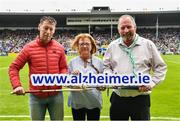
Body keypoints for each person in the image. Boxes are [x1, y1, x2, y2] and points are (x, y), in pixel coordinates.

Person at [103, 15, 167, 120]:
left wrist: (151, 83)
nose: (126, 30)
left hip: (140, 100)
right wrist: (110, 78)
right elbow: (106, 67)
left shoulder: (148, 45)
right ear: (118, 30)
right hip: (118, 98)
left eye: (129, 27)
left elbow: (161, 67)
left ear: (135, 27)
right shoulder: (112, 46)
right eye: (122, 28)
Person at [9, 16, 68, 121]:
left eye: (51, 29)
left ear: (54, 31)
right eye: (46, 28)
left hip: (56, 95)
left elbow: (63, 67)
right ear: (39, 27)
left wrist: (63, 75)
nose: (48, 31)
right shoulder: (29, 48)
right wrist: (16, 85)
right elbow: (14, 67)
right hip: (36, 97)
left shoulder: (59, 48)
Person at [68, 33, 104, 121]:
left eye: (87, 44)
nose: (84, 46)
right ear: (77, 46)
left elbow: (104, 84)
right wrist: (72, 78)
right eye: (81, 44)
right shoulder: (72, 62)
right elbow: (66, 82)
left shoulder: (99, 62)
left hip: (94, 102)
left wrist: (102, 86)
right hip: (77, 103)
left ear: (92, 46)